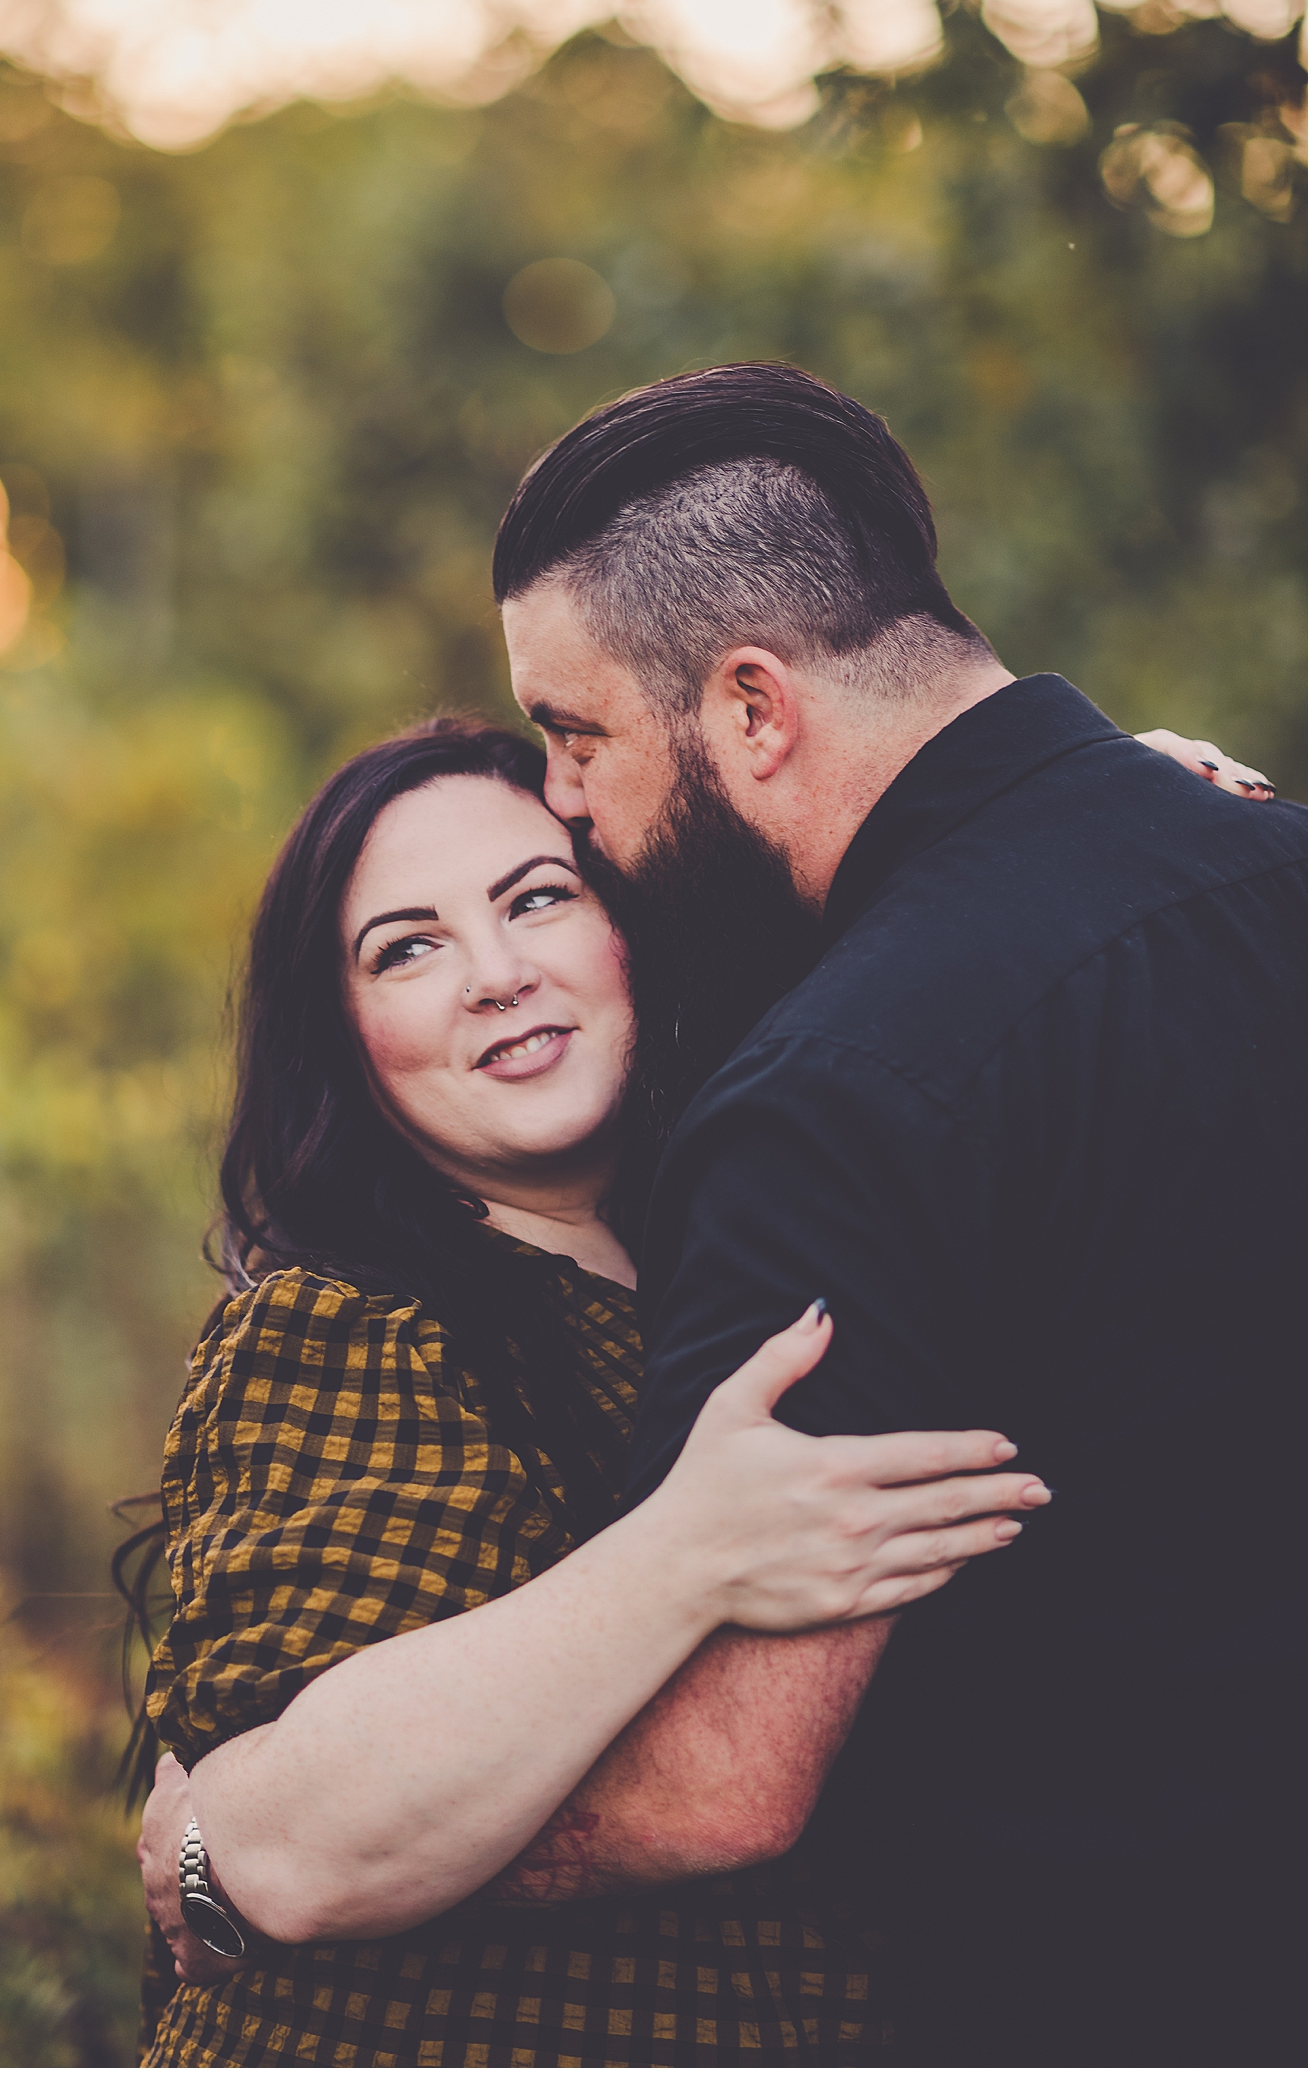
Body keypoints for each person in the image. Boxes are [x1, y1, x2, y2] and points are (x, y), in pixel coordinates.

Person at [491, 361, 1305, 2071]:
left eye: (578, 737)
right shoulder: (1273, 859)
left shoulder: (836, 1099)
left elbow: (723, 1780)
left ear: (755, 711)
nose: (563, 801)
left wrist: (291, 1854)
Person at [133, 718, 1057, 2068]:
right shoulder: (343, 1326)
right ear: (344, 1036)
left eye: (538, 898)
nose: (497, 976)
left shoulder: (753, 1261)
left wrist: (1078, 808)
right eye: (409, 946)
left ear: (633, 924)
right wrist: (688, 1549)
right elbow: (302, 1843)